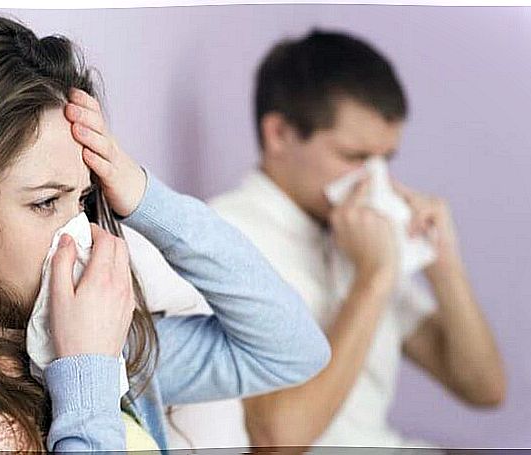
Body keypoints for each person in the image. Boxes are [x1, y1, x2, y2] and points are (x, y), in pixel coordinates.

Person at [0, 13, 331, 452]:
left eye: (83, 199)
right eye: (44, 202)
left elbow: (292, 349)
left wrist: (143, 196)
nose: (77, 233)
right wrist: (86, 375)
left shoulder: (106, 341)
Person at [164, 29, 506, 450]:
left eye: (385, 159)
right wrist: (373, 279)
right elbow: (277, 439)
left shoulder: (354, 234)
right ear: (280, 134)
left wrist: (445, 265)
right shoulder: (226, 237)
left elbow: (484, 389)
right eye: (355, 157)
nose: (375, 180)